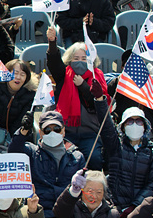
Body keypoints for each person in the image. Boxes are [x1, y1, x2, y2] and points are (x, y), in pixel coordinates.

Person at [9, 110, 88, 218]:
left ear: (63, 131)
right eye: (47, 130)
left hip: (68, 214)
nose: (52, 133)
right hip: (39, 213)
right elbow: (14, 152)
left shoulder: (77, 157)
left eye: (56, 129)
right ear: (40, 133)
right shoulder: (31, 152)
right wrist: (23, 131)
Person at [46, 26, 111, 168]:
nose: (80, 62)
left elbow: (98, 104)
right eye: (76, 58)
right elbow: (54, 62)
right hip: (66, 132)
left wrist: (83, 86)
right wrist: (52, 42)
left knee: (94, 159)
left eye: (84, 58)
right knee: (66, 162)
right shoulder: (64, 75)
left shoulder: (96, 77)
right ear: (69, 60)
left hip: (90, 133)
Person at [101, 106, 153, 216]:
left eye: (139, 121)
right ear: (123, 127)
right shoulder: (116, 147)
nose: (134, 125)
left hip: (140, 209)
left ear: (144, 127)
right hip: (115, 207)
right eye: (130, 122)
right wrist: (100, 101)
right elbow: (106, 127)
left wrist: (135, 206)